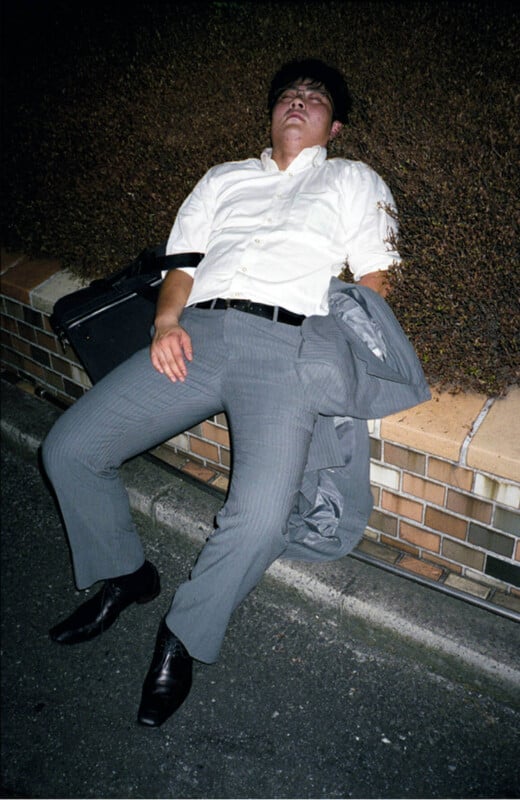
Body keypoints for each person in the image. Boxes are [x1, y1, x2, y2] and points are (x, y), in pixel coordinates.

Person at [42, 58, 405, 728]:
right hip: (200, 335)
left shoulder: (353, 179)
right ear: (272, 113)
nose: (298, 102)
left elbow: (376, 278)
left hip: (288, 349)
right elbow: (183, 262)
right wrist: (165, 322)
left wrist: (334, 358)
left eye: (315, 98)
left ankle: (184, 633)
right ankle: (125, 573)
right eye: (288, 95)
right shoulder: (223, 178)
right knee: (70, 447)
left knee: (263, 517)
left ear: (336, 124)